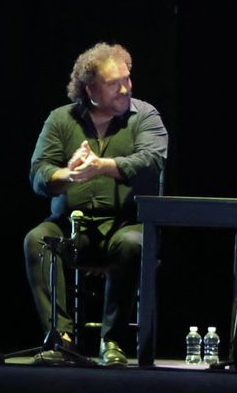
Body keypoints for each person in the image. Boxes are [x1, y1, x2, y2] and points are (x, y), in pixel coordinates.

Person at [24, 42, 169, 367]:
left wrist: (101, 166)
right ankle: (61, 340)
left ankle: (112, 341)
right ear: (90, 89)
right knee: (37, 239)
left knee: (134, 244)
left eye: (127, 79)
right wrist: (67, 174)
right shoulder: (61, 120)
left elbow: (150, 161)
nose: (124, 88)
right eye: (113, 83)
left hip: (125, 223)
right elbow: (39, 173)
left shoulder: (144, 116)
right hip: (73, 226)